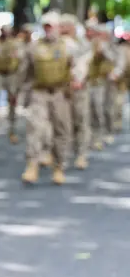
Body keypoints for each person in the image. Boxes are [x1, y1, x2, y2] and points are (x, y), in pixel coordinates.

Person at [21, 12, 76, 185]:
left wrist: (76, 80)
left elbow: (78, 66)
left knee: (61, 130)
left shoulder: (69, 46)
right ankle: (32, 165)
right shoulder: (34, 47)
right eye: (46, 27)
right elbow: (26, 71)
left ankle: (59, 167)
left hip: (60, 92)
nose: (48, 30)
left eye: (51, 26)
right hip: (39, 92)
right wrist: (21, 93)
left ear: (58, 28)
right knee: (36, 128)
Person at [59, 14, 92, 170]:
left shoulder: (82, 44)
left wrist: (78, 79)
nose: (63, 29)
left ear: (73, 27)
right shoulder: (57, 43)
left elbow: (85, 63)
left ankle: (81, 154)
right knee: (63, 123)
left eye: (66, 26)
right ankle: (62, 155)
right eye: (61, 26)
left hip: (78, 88)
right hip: (62, 89)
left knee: (80, 120)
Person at [0, 25, 23, 145]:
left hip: (11, 74)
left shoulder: (15, 43)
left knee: (12, 101)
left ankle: (12, 127)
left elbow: (19, 58)